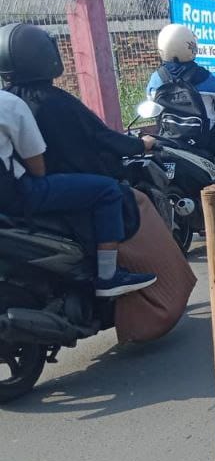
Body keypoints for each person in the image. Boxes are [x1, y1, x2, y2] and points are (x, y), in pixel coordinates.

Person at [0, 61, 155, 297]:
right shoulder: (12, 104)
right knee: (108, 190)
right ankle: (108, 276)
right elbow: (39, 167)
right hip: (18, 197)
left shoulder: (15, 98)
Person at [1, 23, 157, 182]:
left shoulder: (7, 101)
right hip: (67, 182)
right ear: (45, 55)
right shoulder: (56, 101)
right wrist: (139, 145)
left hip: (20, 185)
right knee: (139, 199)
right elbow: (100, 136)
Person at [145, 23, 215, 184]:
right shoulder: (200, 75)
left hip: (170, 136)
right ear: (190, 46)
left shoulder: (158, 77)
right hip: (207, 136)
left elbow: (150, 98)